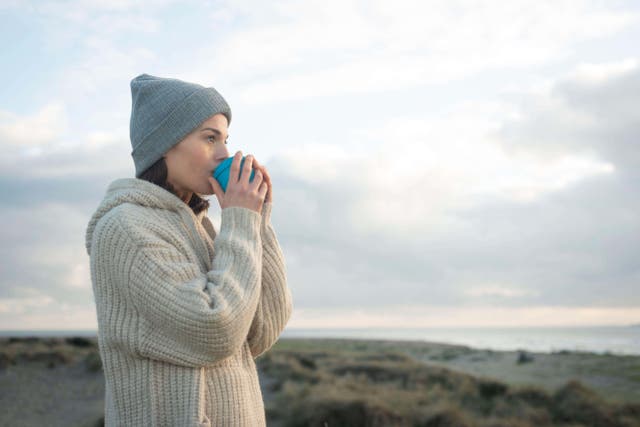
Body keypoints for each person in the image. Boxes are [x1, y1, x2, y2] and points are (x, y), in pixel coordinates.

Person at [85, 73, 293, 426]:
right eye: (210, 138)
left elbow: (259, 331)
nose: (225, 153)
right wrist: (240, 220)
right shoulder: (125, 228)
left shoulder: (203, 230)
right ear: (165, 144)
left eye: (226, 139)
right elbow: (215, 331)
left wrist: (256, 220)